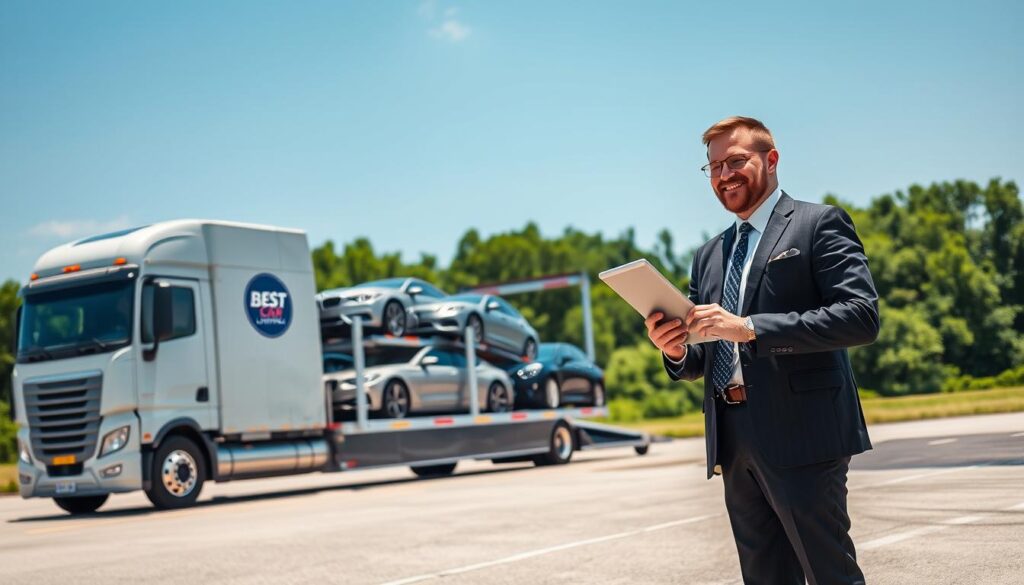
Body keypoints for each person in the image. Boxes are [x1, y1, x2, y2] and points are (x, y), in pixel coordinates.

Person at [645, 116, 879, 585]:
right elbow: (703, 355)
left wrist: (750, 327)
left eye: (736, 161)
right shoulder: (709, 255)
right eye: (713, 167)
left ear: (771, 160)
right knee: (765, 577)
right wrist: (673, 350)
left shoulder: (818, 224)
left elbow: (860, 316)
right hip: (734, 439)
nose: (724, 175)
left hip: (805, 434)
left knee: (829, 572)